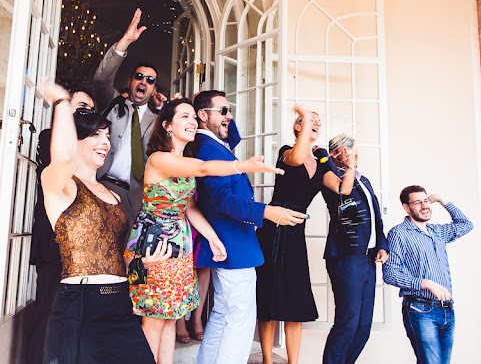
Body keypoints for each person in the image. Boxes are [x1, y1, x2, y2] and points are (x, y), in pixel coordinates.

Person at [124, 98, 284, 364]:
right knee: (152, 322)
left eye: (193, 117)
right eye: (184, 117)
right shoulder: (159, 159)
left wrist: (212, 238)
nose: (192, 122)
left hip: (179, 248)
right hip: (152, 248)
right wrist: (245, 165)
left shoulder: (184, 161)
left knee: (169, 320)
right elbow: (204, 168)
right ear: (167, 125)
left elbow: (190, 208)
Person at [40, 77, 159, 363]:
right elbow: (65, 159)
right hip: (80, 308)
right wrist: (62, 102)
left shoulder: (115, 195)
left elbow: (117, 257)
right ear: (76, 139)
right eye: (95, 135)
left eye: (107, 136)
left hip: (120, 303)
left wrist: (144, 262)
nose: (105, 142)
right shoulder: (61, 183)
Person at [193, 91, 308, 364]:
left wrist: (217, 111)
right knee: (240, 319)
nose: (229, 117)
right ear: (202, 115)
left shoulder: (213, 143)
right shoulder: (208, 148)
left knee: (223, 313)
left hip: (230, 242)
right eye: (223, 111)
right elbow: (222, 200)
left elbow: (233, 137)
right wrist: (267, 212)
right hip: (233, 243)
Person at [255, 107, 357, 364]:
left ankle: (293, 362)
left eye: (318, 122)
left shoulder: (321, 164)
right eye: (311, 121)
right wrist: (305, 117)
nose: (316, 125)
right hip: (274, 229)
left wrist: (351, 164)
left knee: (295, 298)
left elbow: (343, 189)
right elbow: (298, 156)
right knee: (268, 296)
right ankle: (267, 360)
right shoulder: (287, 153)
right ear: (298, 127)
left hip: (295, 233)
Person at [24, 86, 94, 364]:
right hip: (54, 237)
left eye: (89, 109)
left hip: (82, 243)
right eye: (77, 107)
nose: (83, 113)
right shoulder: (49, 137)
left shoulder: (91, 145)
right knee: (48, 313)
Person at [315, 134, 388, 364]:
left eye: (354, 150)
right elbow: (343, 194)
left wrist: (382, 245)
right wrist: (345, 165)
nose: (354, 153)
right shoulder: (329, 176)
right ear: (335, 153)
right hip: (347, 258)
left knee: (363, 326)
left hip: (368, 260)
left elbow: (376, 215)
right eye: (348, 149)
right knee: (348, 321)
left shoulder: (363, 180)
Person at [383, 185, 473, 364]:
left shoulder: (437, 232)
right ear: (406, 207)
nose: (424, 206)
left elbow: (465, 225)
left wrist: (442, 200)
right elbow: (390, 273)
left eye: (426, 201)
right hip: (420, 310)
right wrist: (426, 283)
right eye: (417, 202)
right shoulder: (398, 234)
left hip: (447, 309)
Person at [94, 8, 167, 221]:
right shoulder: (113, 104)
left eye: (150, 80)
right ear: (130, 82)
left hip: (134, 197)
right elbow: (101, 79)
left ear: (154, 89)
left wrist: (164, 109)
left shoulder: (157, 121)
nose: (144, 81)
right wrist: (124, 43)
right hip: (102, 184)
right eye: (139, 76)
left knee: (123, 252)